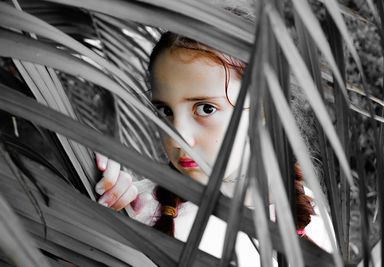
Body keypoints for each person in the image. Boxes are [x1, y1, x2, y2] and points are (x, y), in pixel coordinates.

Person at [94, 30, 332, 265]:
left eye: (206, 108)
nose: (178, 139)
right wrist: (96, 220)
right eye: (166, 111)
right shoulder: (138, 212)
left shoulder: (312, 219)